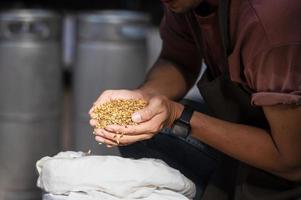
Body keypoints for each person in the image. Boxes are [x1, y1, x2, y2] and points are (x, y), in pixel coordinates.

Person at [89, 0, 301, 199]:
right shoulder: (184, 3)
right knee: (142, 136)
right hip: (250, 128)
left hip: (286, 159)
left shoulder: (269, 22)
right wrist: (143, 98)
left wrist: (178, 116)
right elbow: (178, 61)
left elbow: (290, 162)